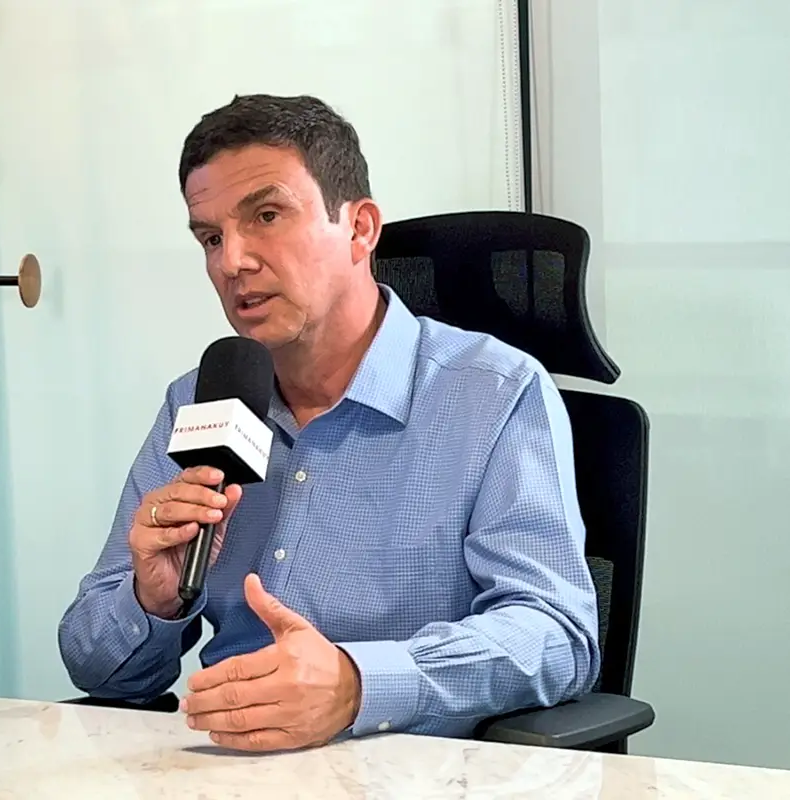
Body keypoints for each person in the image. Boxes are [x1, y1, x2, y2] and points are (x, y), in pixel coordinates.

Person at [57, 94, 599, 753]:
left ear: (360, 228)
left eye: (266, 216)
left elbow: (557, 635)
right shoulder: (200, 401)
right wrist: (155, 599)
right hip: (224, 767)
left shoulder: (494, 393)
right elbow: (94, 669)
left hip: (412, 772)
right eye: (211, 238)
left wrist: (358, 684)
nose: (232, 262)